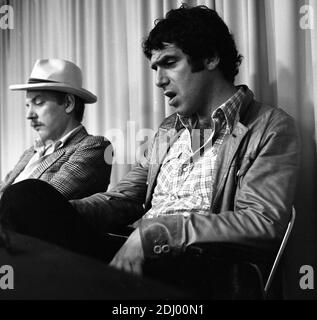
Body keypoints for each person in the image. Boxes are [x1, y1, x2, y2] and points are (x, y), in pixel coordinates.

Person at [0, 5, 300, 294]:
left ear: (210, 57)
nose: (158, 80)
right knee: (26, 197)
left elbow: (263, 223)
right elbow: (124, 198)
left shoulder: (270, 126)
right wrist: (60, 213)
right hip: (137, 256)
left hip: (203, 269)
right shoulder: (170, 131)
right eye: (155, 68)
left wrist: (158, 233)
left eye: (169, 63)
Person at [0, 59, 112, 200]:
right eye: (28, 106)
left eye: (38, 102)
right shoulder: (30, 153)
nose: (29, 115)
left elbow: (37, 204)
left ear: (68, 103)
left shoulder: (94, 147)